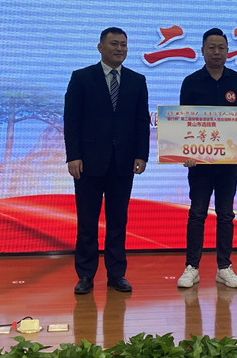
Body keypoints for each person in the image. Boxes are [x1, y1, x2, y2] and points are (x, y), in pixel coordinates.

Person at [176, 28, 237, 289]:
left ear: (228, 52)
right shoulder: (191, 81)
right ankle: (192, 267)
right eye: (212, 47)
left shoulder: (236, 80)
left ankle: (224, 267)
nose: (216, 52)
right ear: (202, 51)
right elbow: (183, 121)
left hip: (228, 161)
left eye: (221, 48)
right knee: (197, 213)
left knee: (226, 214)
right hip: (200, 163)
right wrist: (186, 153)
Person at [64, 27, 150, 295]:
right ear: (100, 47)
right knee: (87, 222)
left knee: (118, 221)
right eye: (113, 44)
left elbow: (141, 122)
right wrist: (73, 156)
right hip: (88, 162)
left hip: (123, 162)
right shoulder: (81, 78)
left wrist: (142, 154)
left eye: (123, 44)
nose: (119, 49)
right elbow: (71, 120)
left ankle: (116, 274)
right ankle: (85, 275)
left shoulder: (137, 80)